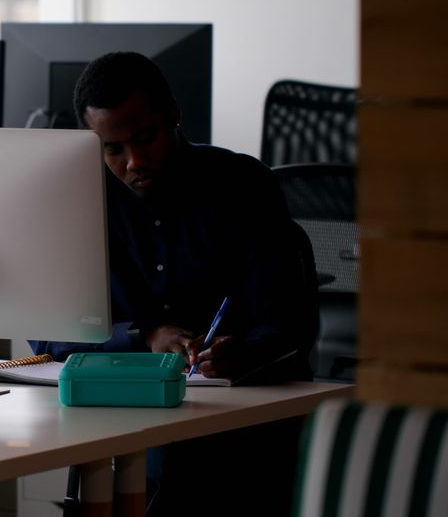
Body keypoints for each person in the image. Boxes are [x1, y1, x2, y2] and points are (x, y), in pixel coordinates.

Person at [32, 52, 318, 516]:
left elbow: (290, 327)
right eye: (113, 149)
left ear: (174, 115)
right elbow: (49, 333)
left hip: (236, 426)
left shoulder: (244, 186)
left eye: (146, 138)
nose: (135, 161)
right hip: (118, 418)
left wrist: (240, 354)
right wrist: (141, 336)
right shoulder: (79, 201)